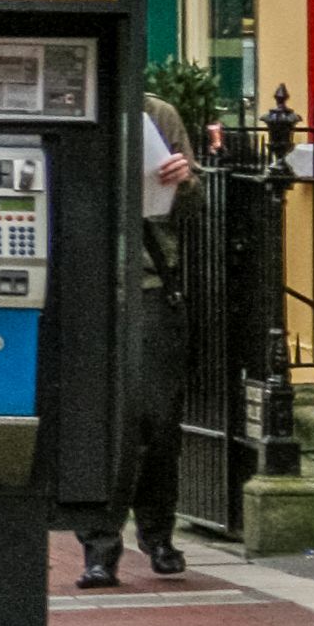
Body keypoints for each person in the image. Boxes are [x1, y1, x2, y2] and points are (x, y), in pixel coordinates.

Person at [81, 84, 201, 588]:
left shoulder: (159, 114)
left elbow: (193, 206)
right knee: (105, 424)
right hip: (93, 288)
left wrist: (185, 181)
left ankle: (156, 534)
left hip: (151, 286)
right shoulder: (82, 105)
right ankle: (100, 547)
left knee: (156, 419)